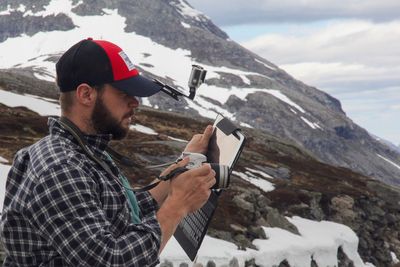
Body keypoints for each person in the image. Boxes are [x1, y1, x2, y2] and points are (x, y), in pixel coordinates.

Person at [0, 38, 216, 266]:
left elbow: (119, 213)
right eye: (125, 92)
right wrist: (176, 206)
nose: (136, 102)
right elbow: (111, 259)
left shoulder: (82, 152)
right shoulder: (61, 168)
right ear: (86, 94)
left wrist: (180, 167)